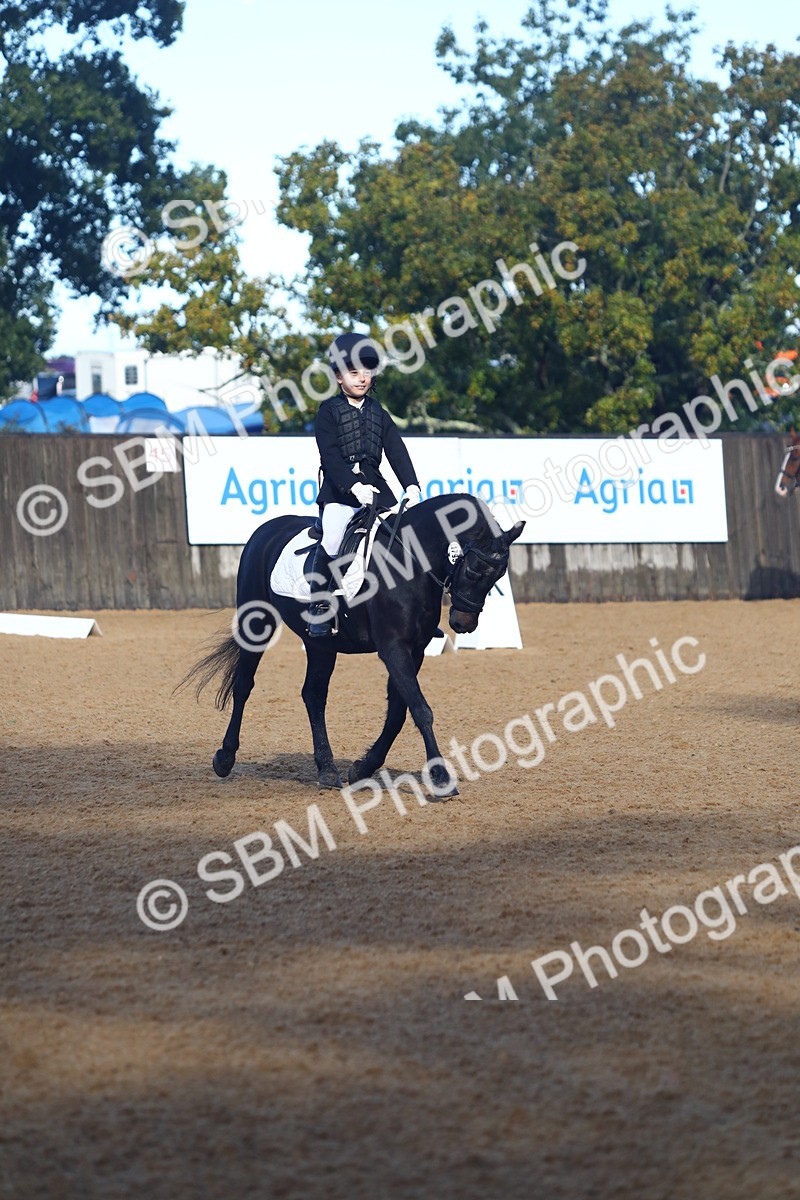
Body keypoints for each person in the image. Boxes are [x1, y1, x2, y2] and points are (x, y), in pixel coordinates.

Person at [307, 332, 422, 636]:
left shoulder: (378, 412)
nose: (362, 378)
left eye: (367, 372)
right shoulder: (328, 411)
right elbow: (330, 455)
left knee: (406, 537)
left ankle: (418, 610)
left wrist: (411, 485)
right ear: (338, 377)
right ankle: (319, 608)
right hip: (340, 492)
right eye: (353, 372)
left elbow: (396, 450)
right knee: (333, 538)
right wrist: (352, 486)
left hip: (377, 490)